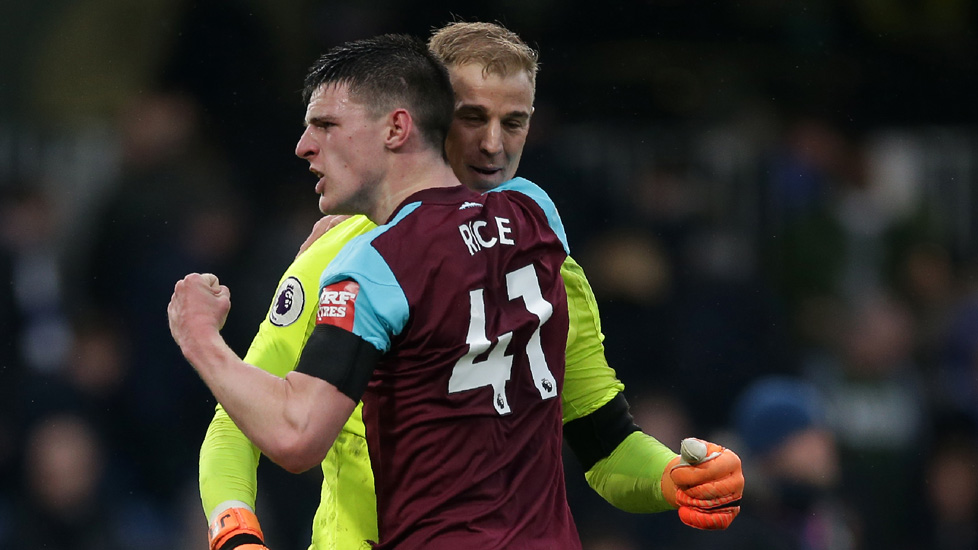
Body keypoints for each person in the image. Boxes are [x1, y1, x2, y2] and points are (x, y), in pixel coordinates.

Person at [195, 22, 744, 550]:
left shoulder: (541, 247)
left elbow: (602, 440)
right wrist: (236, 528)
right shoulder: (344, 258)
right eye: (471, 117)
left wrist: (675, 477)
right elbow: (238, 424)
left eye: (514, 122)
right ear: (423, 118)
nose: (492, 145)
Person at [169, 33, 580, 549]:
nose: (304, 146)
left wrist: (199, 336)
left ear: (399, 127)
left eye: (326, 125)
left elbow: (295, 435)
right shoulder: (535, 217)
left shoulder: (369, 264)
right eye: (473, 118)